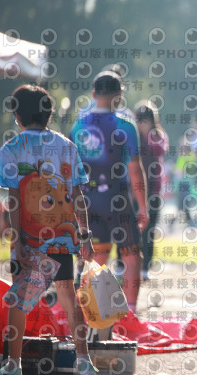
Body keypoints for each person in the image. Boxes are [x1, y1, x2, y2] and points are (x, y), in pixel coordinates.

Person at [0, 85, 103, 375]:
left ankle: (13, 369)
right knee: (68, 296)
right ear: (49, 113)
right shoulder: (66, 146)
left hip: (31, 243)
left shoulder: (12, 149)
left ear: (17, 115)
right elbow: (77, 195)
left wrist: (17, 241)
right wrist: (84, 235)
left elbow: (14, 199)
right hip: (62, 239)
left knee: (17, 302)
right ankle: (84, 362)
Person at [69, 71, 149, 315]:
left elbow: (70, 170)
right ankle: (130, 314)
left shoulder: (78, 125)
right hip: (116, 198)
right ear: (119, 96)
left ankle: (93, 314)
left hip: (88, 200)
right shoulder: (125, 126)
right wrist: (143, 207)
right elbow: (135, 170)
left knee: (96, 258)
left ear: (94, 94)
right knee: (132, 256)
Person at [135, 101, 169, 280]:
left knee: (149, 230)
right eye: (139, 120)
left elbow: (159, 150)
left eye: (145, 120)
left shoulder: (157, 136)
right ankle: (125, 265)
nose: (142, 124)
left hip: (154, 191)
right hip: (135, 190)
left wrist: (148, 134)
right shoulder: (133, 137)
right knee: (131, 229)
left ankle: (146, 267)